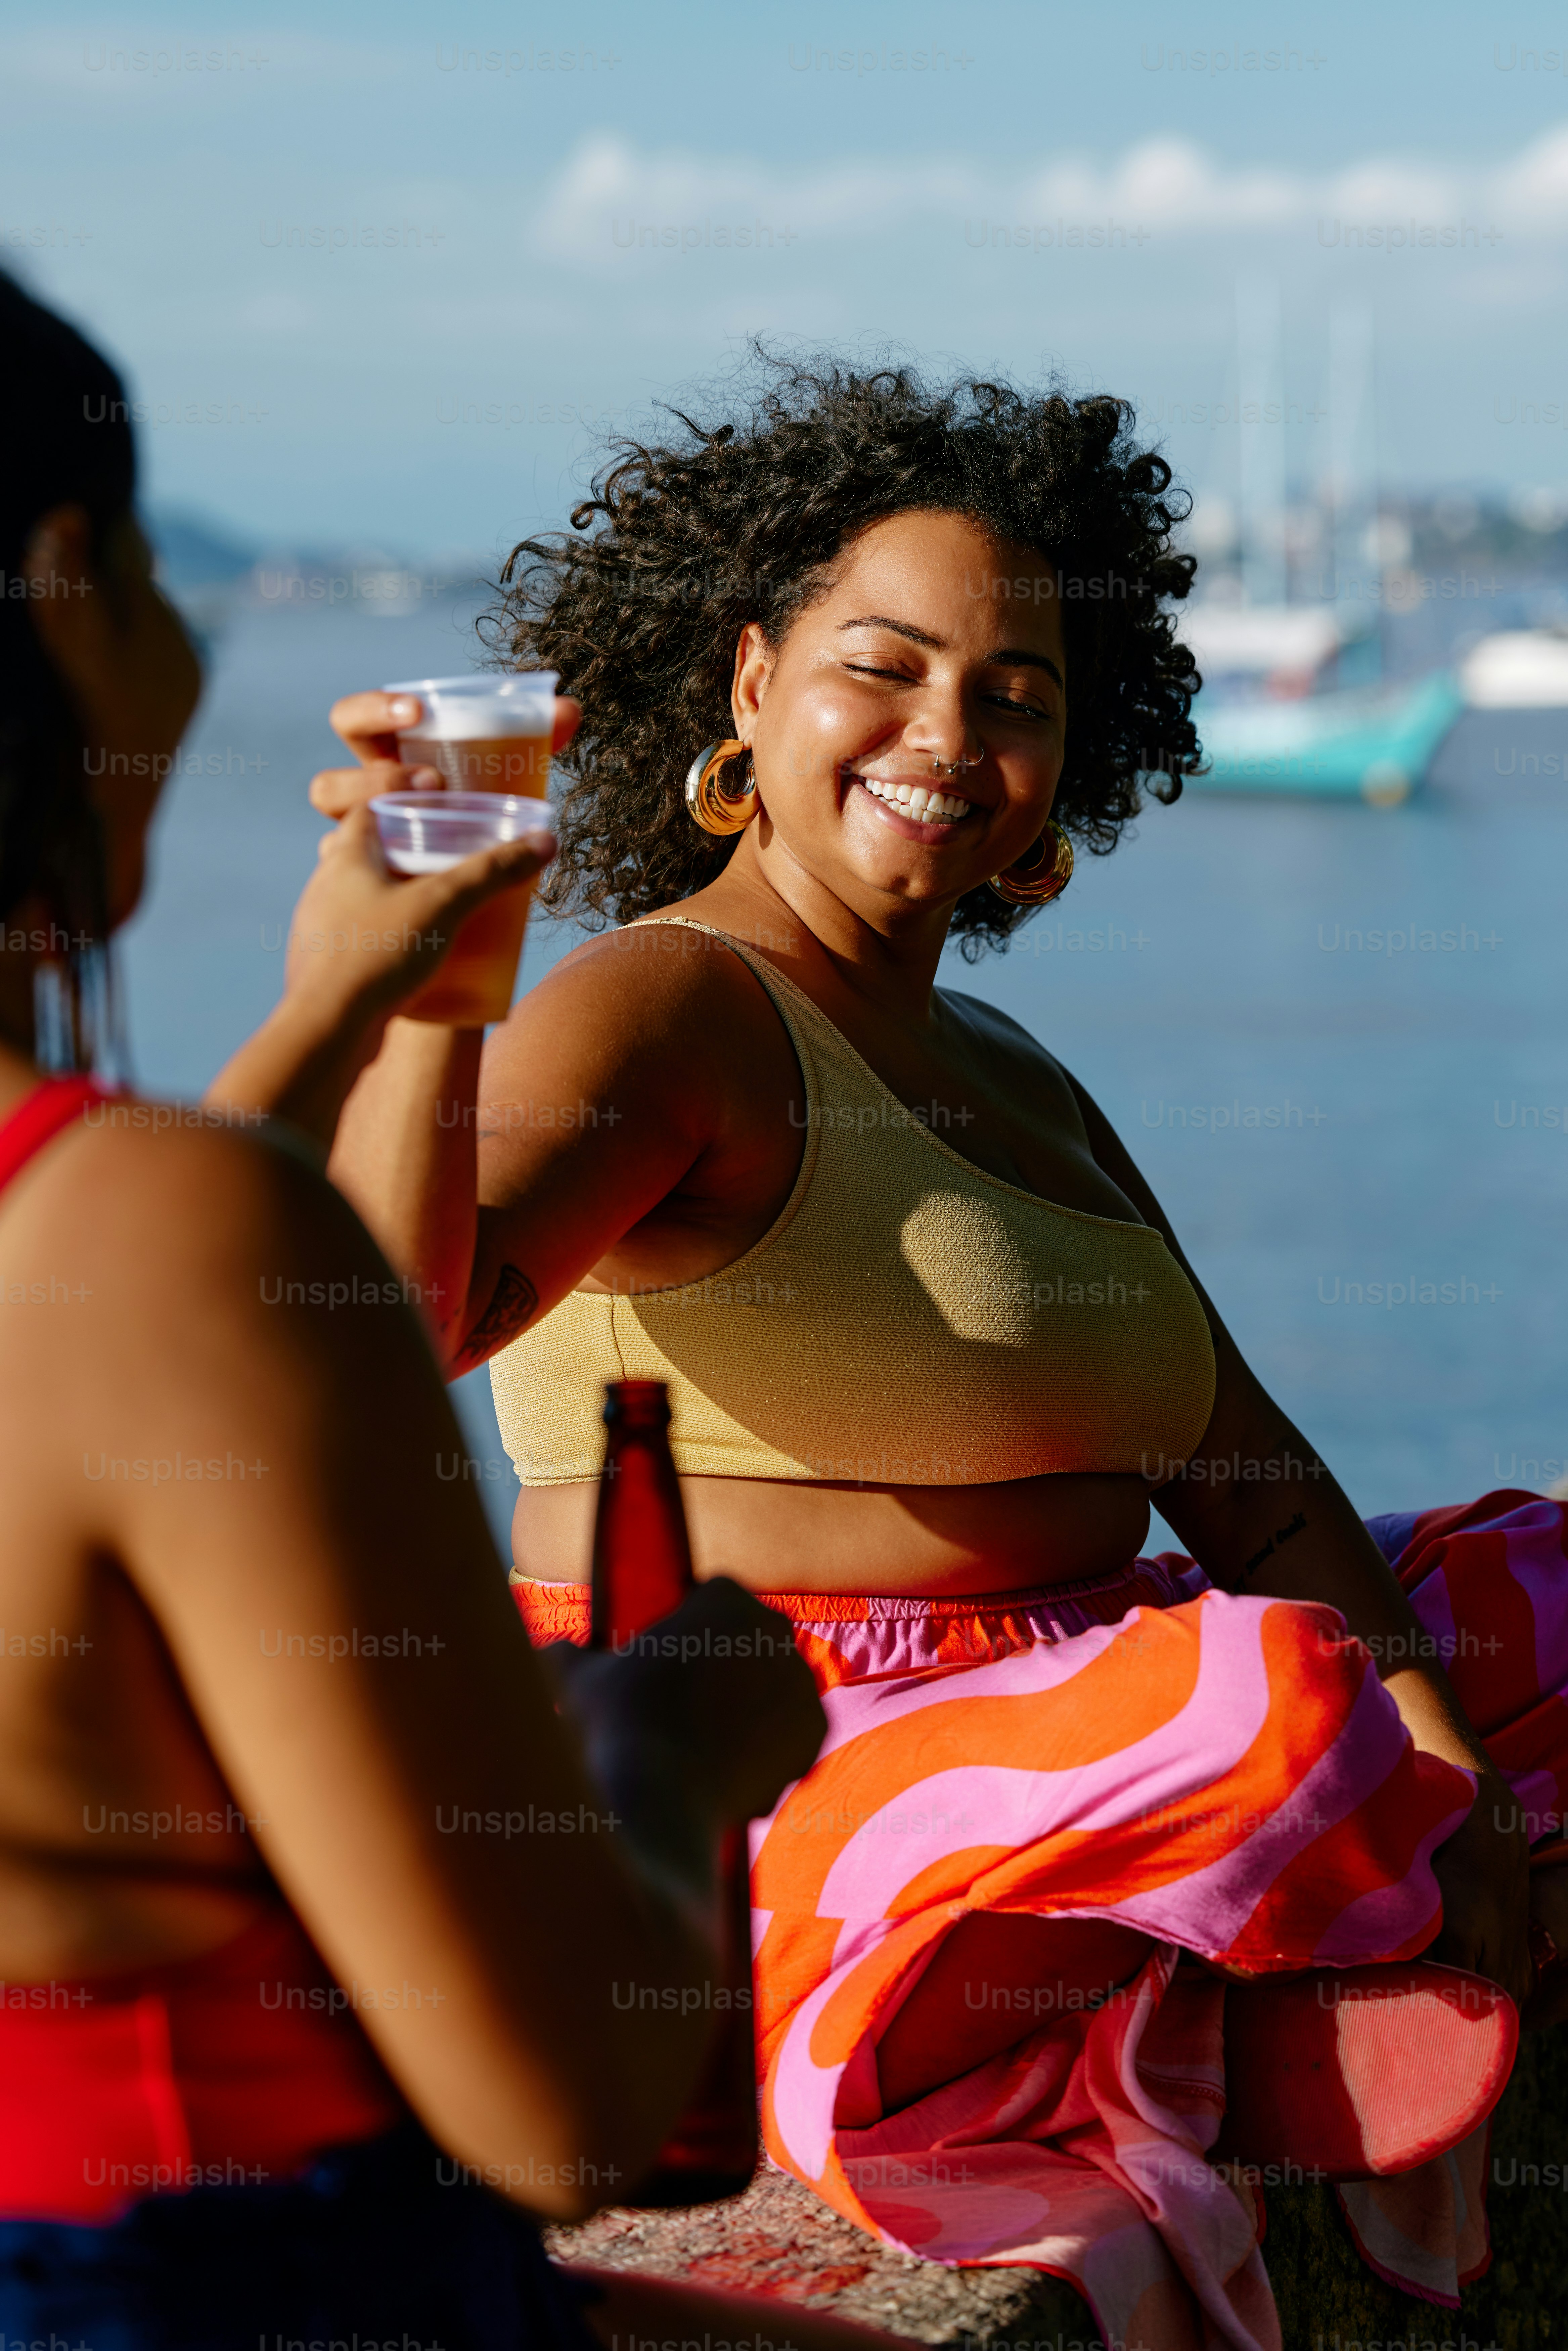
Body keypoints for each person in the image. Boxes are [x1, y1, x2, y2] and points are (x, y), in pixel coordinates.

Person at [315, 357, 1567, 2350]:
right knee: (1269, 1690)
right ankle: (1170, 2000)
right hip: (768, 1747)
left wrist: (1430, 1726)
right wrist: (431, 985)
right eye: (881, 669)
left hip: (1102, 1680)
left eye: (1017, 697)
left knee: (1528, 1585)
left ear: (1075, 760)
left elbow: (1245, 1469)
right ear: (747, 684)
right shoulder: (670, 1005)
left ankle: (1213, 1977)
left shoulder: (1023, 1076)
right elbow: (388, 1332)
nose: (946, 735)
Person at [0, 277, 866, 2351]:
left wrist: (341, 1008)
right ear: (60, 587)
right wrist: (674, 1733)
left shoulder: (122, 1242)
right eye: (143, 571)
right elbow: (568, 2096)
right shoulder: (158, 1242)